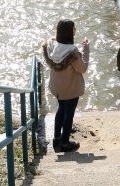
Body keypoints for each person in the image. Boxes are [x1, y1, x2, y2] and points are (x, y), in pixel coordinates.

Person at [42, 18, 89, 153]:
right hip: (71, 88)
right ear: (70, 32)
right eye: (74, 28)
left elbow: (57, 46)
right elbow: (82, 68)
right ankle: (65, 142)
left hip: (57, 87)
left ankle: (56, 138)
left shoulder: (51, 45)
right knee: (69, 114)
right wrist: (85, 49)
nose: (76, 30)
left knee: (61, 109)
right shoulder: (73, 51)